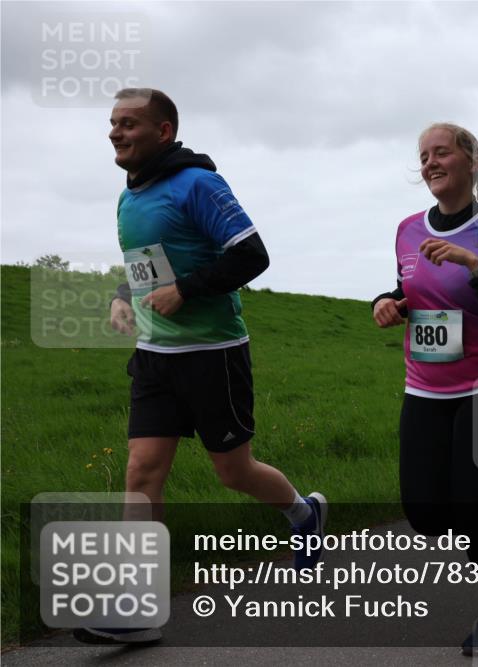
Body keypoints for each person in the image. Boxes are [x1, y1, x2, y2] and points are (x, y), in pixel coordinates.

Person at [77, 89, 326, 645]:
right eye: (112, 123)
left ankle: (304, 514)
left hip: (214, 355)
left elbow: (251, 254)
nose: (116, 133)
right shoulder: (129, 196)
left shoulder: (199, 184)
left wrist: (186, 291)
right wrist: (124, 294)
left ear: (163, 131)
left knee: (234, 473)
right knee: (142, 471)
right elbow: (148, 264)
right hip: (155, 357)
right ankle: (137, 606)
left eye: (130, 124)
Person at [372, 123, 478, 656]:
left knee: (467, 513)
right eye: (423, 156)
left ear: (471, 160)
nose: (430, 163)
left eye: (441, 152)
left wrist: (475, 265)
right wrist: (386, 303)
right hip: (426, 388)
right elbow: (411, 286)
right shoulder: (406, 230)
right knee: (426, 515)